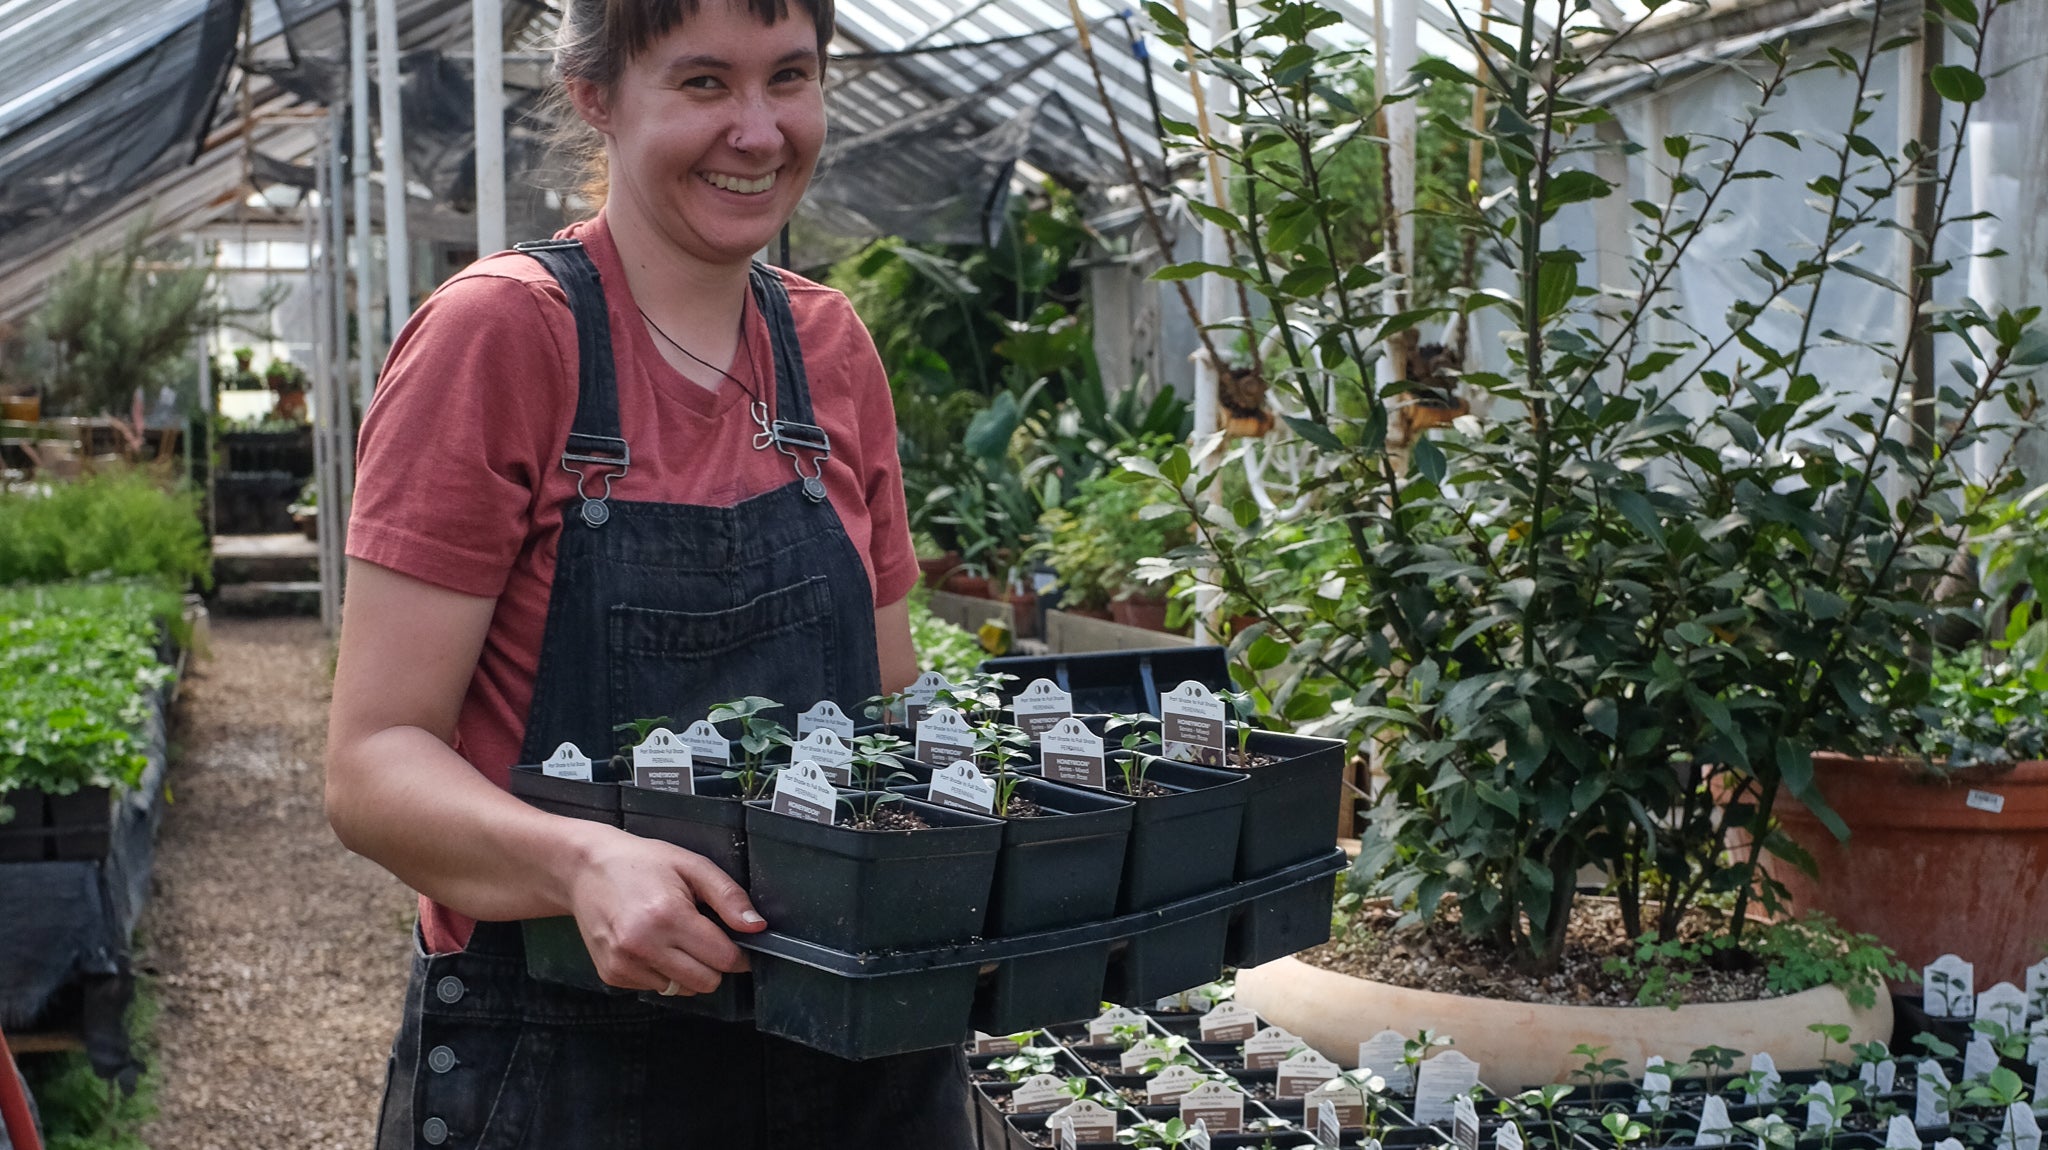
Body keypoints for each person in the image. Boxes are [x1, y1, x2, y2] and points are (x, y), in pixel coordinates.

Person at [323, 0, 973, 1144]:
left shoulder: (828, 352)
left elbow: (888, 708)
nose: (761, 131)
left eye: (790, 76)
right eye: (705, 83)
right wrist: (582, 861)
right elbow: (373, 766)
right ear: (595, 95)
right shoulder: (505, 338)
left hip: (849, 1050)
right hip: (572, 1057)